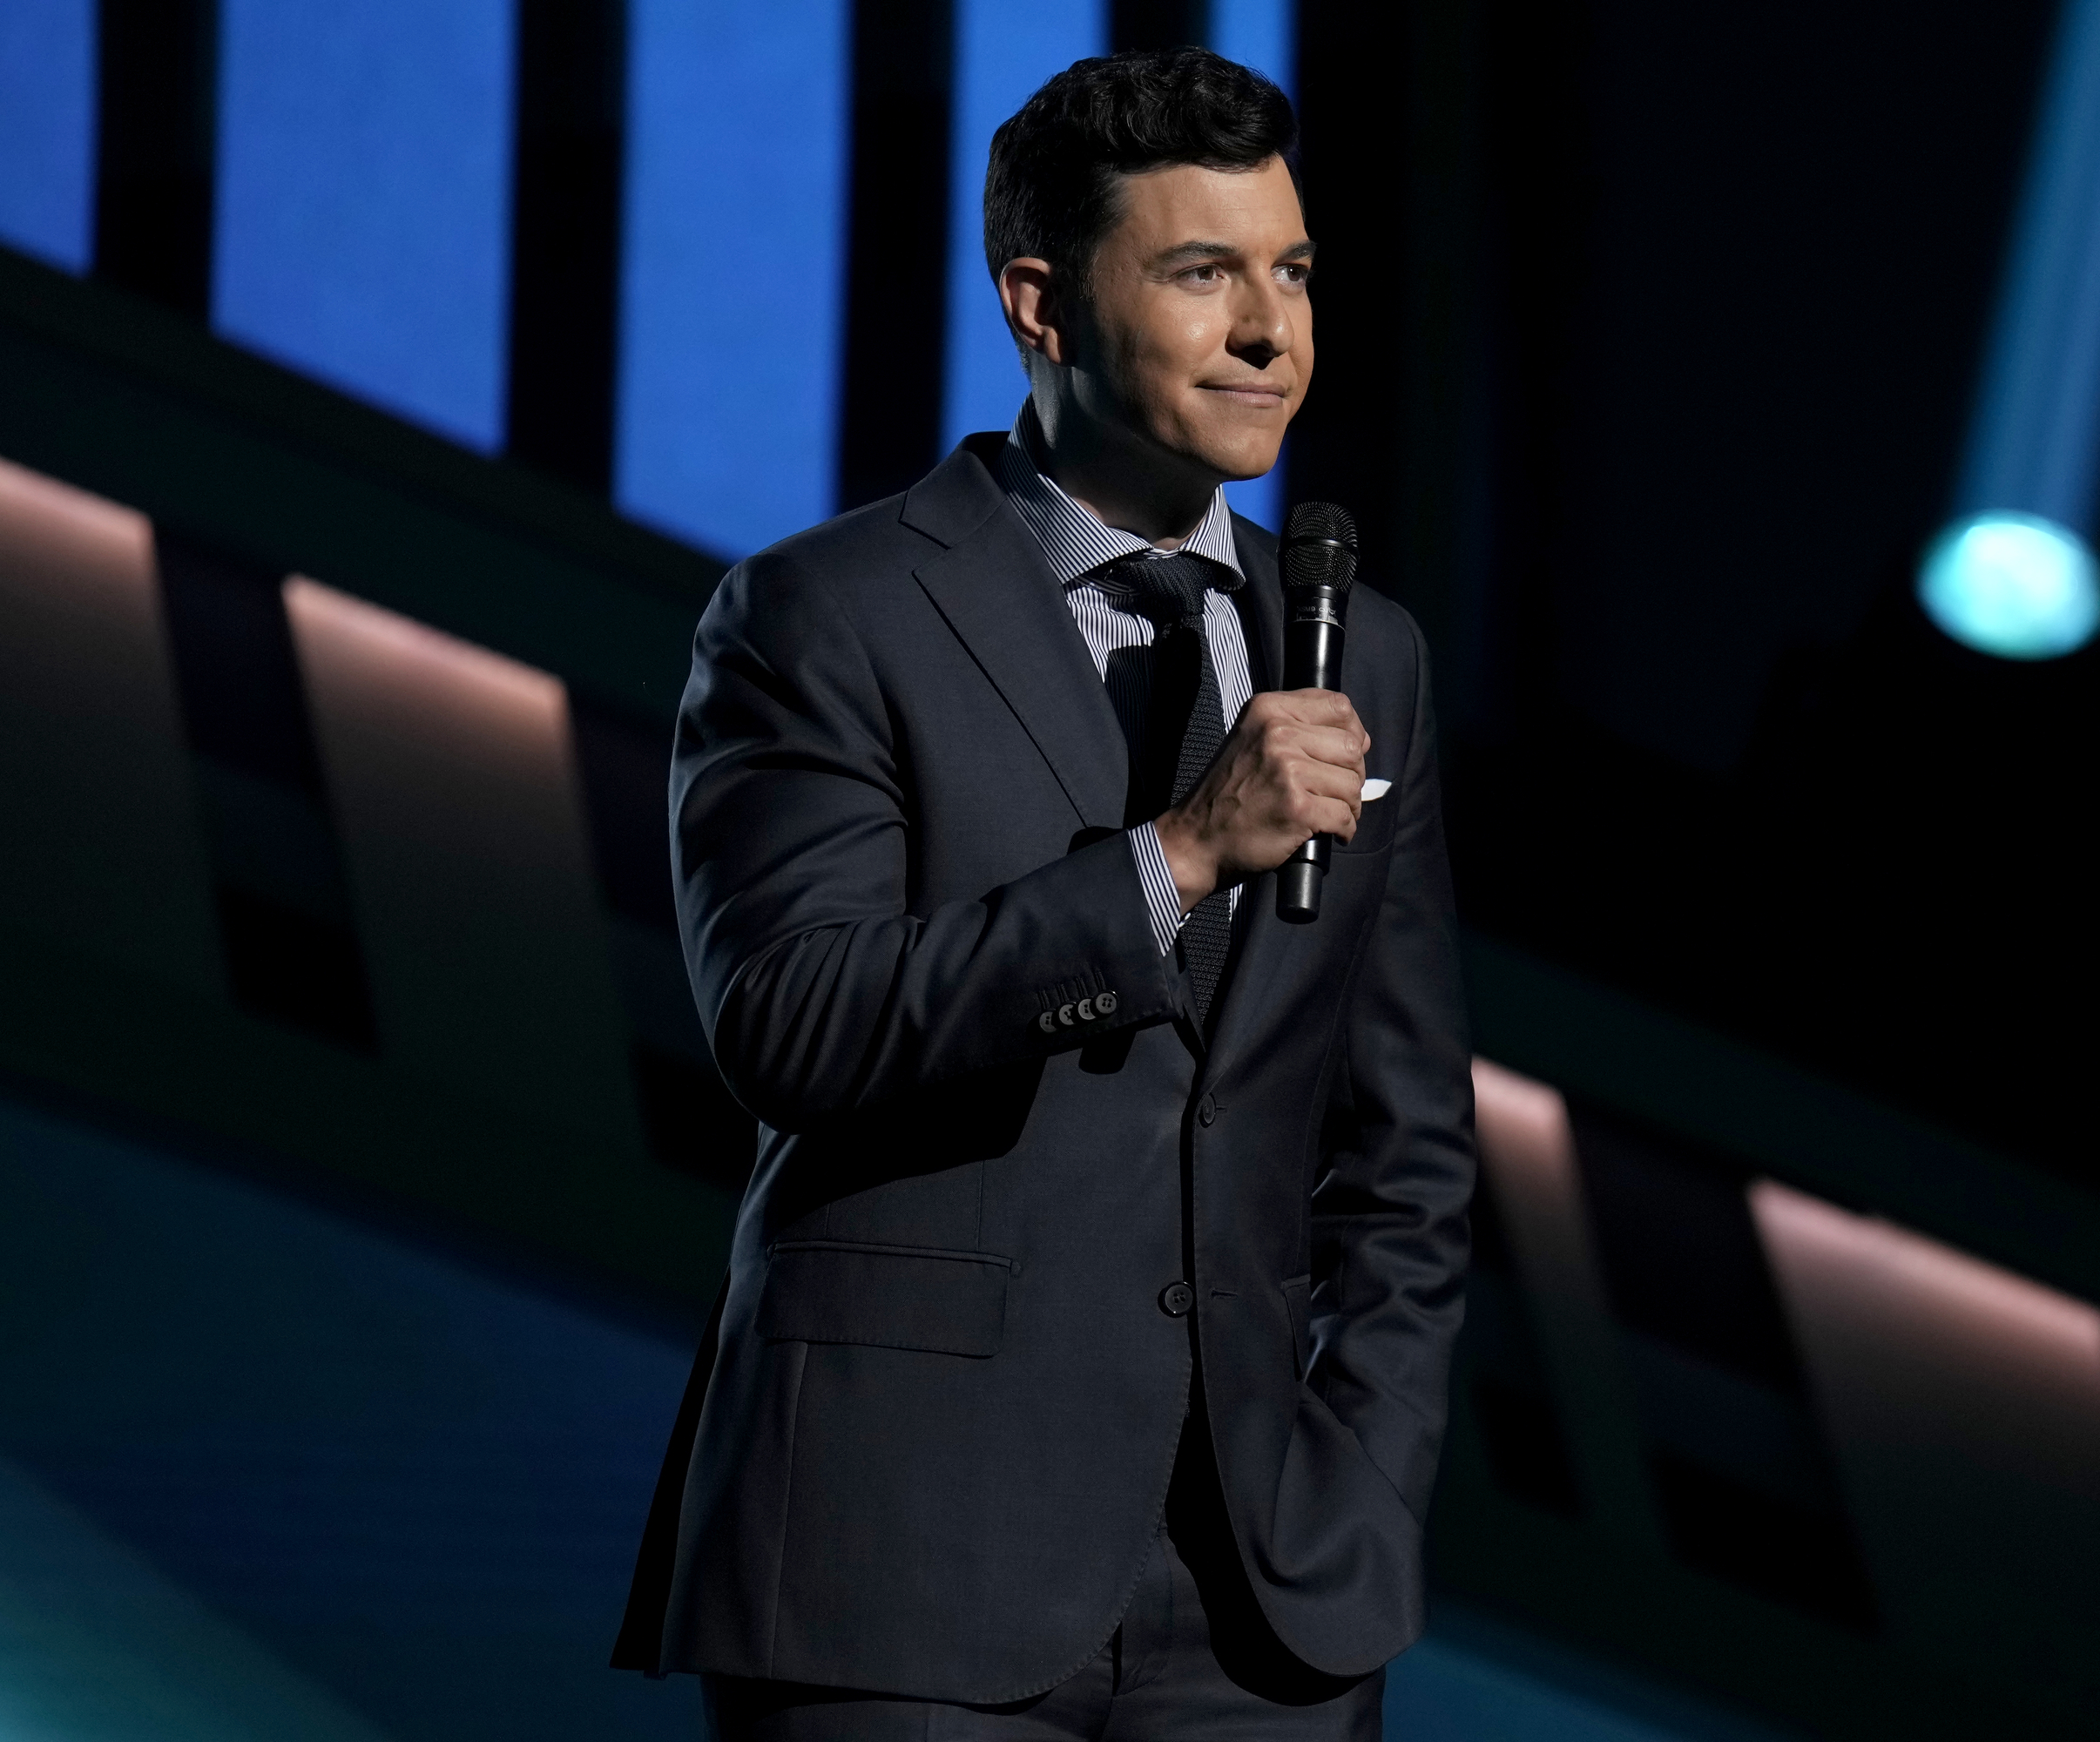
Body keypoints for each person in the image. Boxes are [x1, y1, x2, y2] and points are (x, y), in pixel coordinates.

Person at [612, 46, 1474, 1741]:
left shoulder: (1367, 653)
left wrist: (1361, 1479)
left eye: (1290, 271)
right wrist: (1177, 859)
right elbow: (792, 1022)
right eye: (1202, 271)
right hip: (897, 1572)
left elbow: (1409, 1151)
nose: (1268, 331)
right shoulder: (824, 610)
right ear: (1044, 302)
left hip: (1266, 1603)